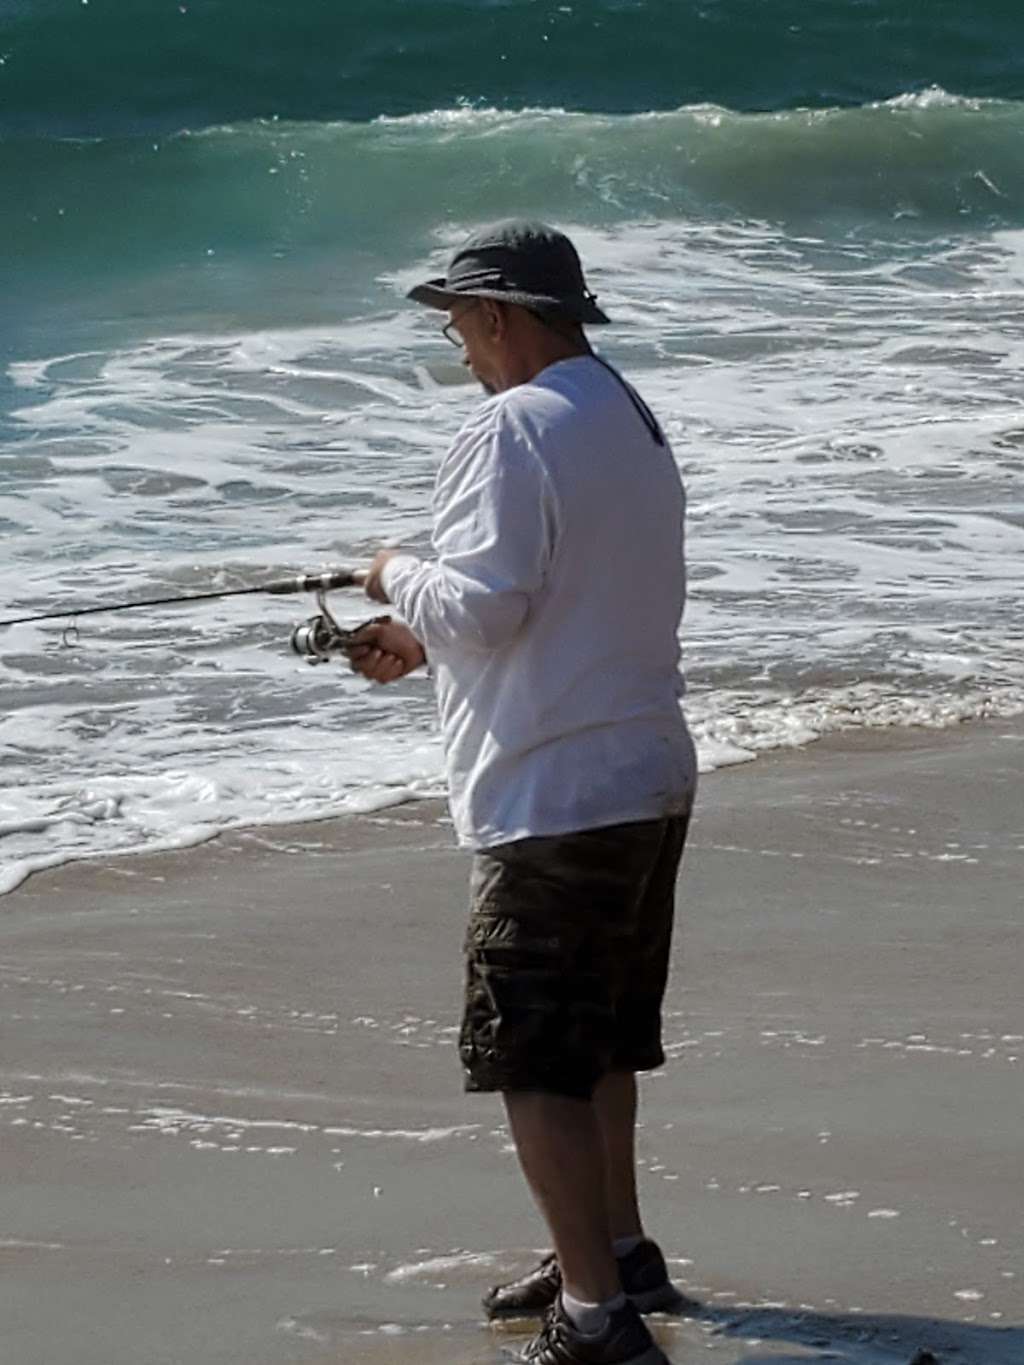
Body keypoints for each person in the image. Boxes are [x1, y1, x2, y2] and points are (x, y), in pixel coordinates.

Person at [348, 220, 698, 1365]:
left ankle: (596, 1318)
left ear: (498, 314)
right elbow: (547, 597)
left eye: (457, 323)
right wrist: (417, 634)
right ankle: (619, 1253)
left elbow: (485, 605)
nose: (457, 348)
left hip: (552, 794)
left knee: (535, 1061)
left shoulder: (508, 426)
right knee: (599, 1041)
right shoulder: (622, 414)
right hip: (644, 771)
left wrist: (390, 567)